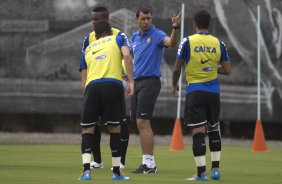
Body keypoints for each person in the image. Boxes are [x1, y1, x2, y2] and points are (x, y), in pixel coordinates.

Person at [172, 10, 231, 181]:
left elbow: (176, 68)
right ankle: (216, 170)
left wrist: (174, 85)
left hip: (195, 92)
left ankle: (201, 173)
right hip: (213, 93)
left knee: (198, 132)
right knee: (214, 129)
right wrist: (212, 68)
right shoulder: (219, 43)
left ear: (194, 24)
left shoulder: (188, 41)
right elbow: (227, 70)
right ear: (209, 24)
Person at [78, 20, 134, 180]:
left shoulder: (88, 47)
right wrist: (131, 81)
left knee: (88, 129)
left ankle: (86, 171)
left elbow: (83, 76)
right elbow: (127, 55)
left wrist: (87, 93)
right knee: (114, 128)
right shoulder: (118, 39)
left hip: (92, 86)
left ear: (95, 35)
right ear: (110, 30)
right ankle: (116, 171)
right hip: (113, 84)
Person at [130, 6, 181, 173]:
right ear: (137, 19)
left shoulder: (157, 34)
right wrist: (128, 75)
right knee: (139, 123)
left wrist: (175, 28)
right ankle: (147, 162)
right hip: (137, 83)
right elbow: (133, 58)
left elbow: (172, 43)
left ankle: (150, 164)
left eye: (149, 18)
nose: (146, 21)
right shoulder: (135, 37)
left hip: (150, 82)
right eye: (143, 18)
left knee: (143, 122)